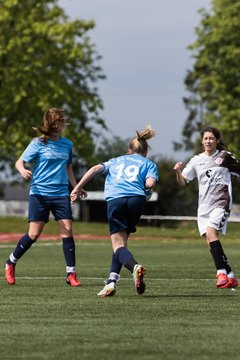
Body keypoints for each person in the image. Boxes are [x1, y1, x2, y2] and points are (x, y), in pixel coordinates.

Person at [71, 125, 158, 297]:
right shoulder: (149, 163)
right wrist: (146, 188)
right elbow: (150, 184)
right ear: (145, 152)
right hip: (136, 200)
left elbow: (95, 169)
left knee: (118, 244)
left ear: (128, 151)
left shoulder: (117, 160)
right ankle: (111, 283)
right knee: (121, 243)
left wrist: (77, 188)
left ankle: (134, 267)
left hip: (116, 199)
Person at [5, 108, 86, 286]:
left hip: (60, 194)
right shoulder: (38, 143)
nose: (58, 124)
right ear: (49, 123)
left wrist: (76, 187)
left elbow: (68, 167)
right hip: (39, 194)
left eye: (61, 121)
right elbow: (19, 161)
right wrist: (22, 170)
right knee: (33, 234)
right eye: (55, 121)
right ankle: (11, 261)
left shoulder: (67, 145)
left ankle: (71, 274)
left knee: (67, 232)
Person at [173, 126, 240, 289]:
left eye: (211, 138)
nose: (208, 141)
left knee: (211, 233)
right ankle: (231, 275)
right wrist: (177, 172)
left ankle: (221, 274)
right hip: (203, 207)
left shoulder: (225, 157)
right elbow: (183, 182)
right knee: (210, 240)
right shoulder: (196, 160)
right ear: (202, 141)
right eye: (205, 138)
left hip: (221, 203)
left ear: (217, 140)